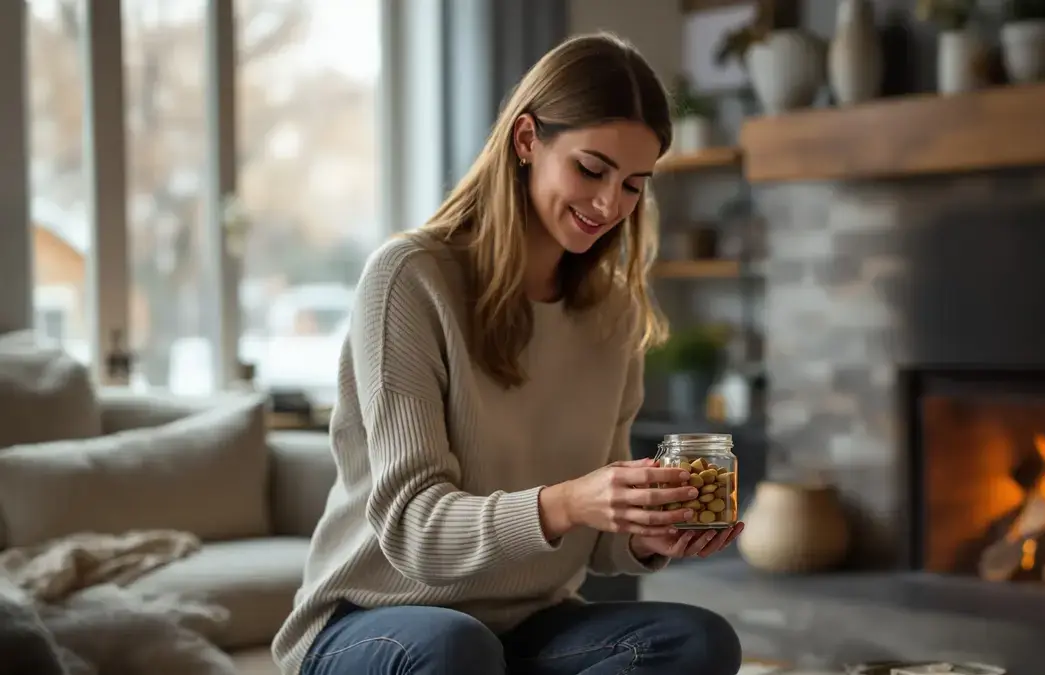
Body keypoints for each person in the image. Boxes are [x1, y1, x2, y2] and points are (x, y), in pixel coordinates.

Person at [271, 32, 745, 675]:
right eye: (591, 168)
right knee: (456, 648)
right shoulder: (410, 279)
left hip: (526, 625)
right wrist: (571, 500)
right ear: (527, 140)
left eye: (635, 184)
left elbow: (596, 539)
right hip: (371, 619)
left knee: (699, 640)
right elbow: (413, 530)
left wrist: (641, 534)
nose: (610, 205)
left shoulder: (613, 314)